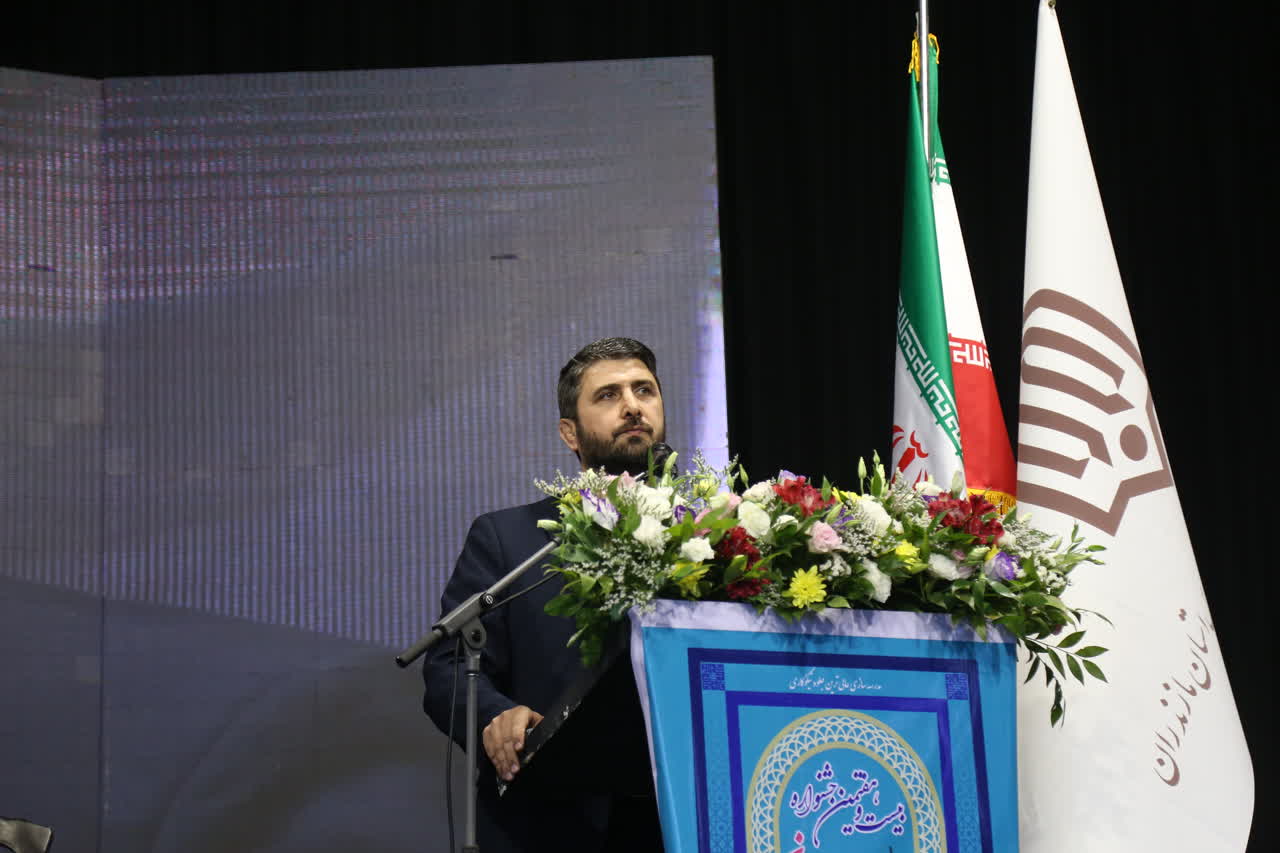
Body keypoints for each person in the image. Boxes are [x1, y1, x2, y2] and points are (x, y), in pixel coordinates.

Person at [422, 337, 667, 851]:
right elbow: (450, 667)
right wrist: (493, 715)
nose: (631, 405)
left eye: (643, 390)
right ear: (569, 433)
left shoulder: (712, 535)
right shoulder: (511, 540)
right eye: (608, 395)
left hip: (676, 818)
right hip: (551, 822)